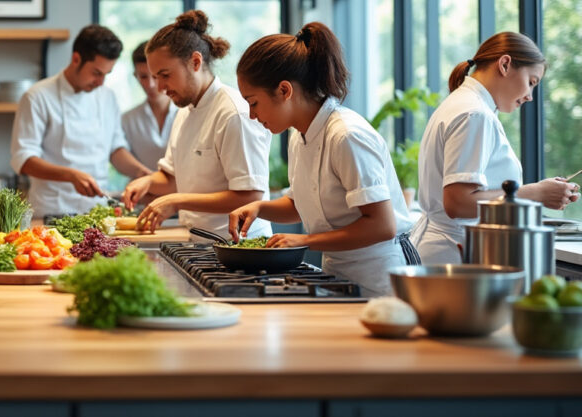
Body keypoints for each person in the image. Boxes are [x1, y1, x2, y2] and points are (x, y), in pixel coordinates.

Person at [230, 22, 419, 298]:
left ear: (284, 91)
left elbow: (382, 225)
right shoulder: (300, 136)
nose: (251, 115)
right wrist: (259, 207)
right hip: (338, 273)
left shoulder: (346, 135)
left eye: (253, 102)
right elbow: (300, 205)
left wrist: (306, 240)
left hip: (383, 276)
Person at [412, 32, 579, 264]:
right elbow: (458, 202)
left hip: (446, 250)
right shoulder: (475, 113)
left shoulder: (467, 104)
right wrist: (536, 194)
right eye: (531, 82)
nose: (530, 96)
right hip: (451, 256)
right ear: (505, 64)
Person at [122, 10, 272, 236]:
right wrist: (147, 182)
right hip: (198, 242)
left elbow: (249, 196)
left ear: (195, 62)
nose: (160, 87)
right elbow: (173, 179)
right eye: (155, 78)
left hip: (239, 246)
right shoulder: (184, 111)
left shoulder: (233, 113)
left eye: (165, 75)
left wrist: (176, 201)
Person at [11, 25, 150, 216]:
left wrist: (142, 173)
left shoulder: (107, 97)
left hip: (97, 209)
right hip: (52, 210)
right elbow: (24, 159)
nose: (101, 82)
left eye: (106, 75)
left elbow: (115, 149)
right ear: (76, 59)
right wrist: (71, 175)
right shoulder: (37, 96)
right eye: (96, 73)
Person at [122, 41, 178, 172]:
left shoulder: (188, 113)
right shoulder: (127, 120)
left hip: (182, 191)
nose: (151, 84)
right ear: (135, 76)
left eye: (155, 76)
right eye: (143, 77)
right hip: (141, 190)